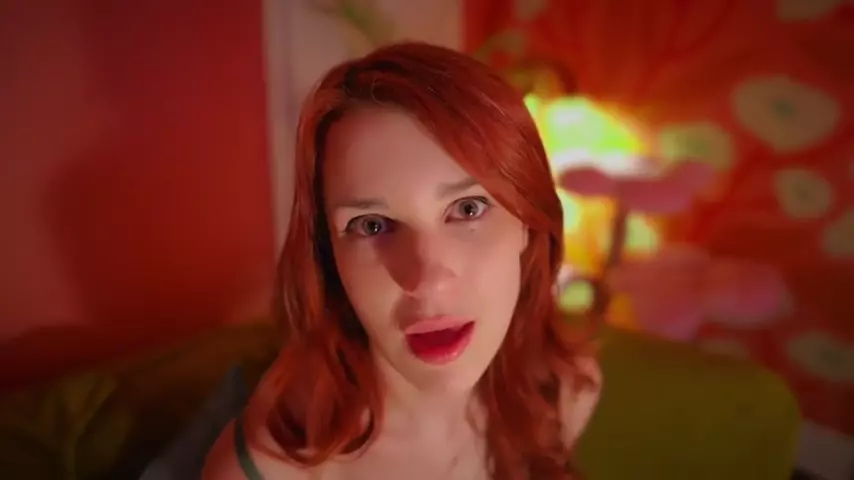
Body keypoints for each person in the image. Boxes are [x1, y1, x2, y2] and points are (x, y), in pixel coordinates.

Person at [203, 41, 601, 480]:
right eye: (372, 225)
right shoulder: (265, 472)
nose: (427, 281)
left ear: (527, 222)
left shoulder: (564, 395)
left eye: (468, 209)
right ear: (329, 256)